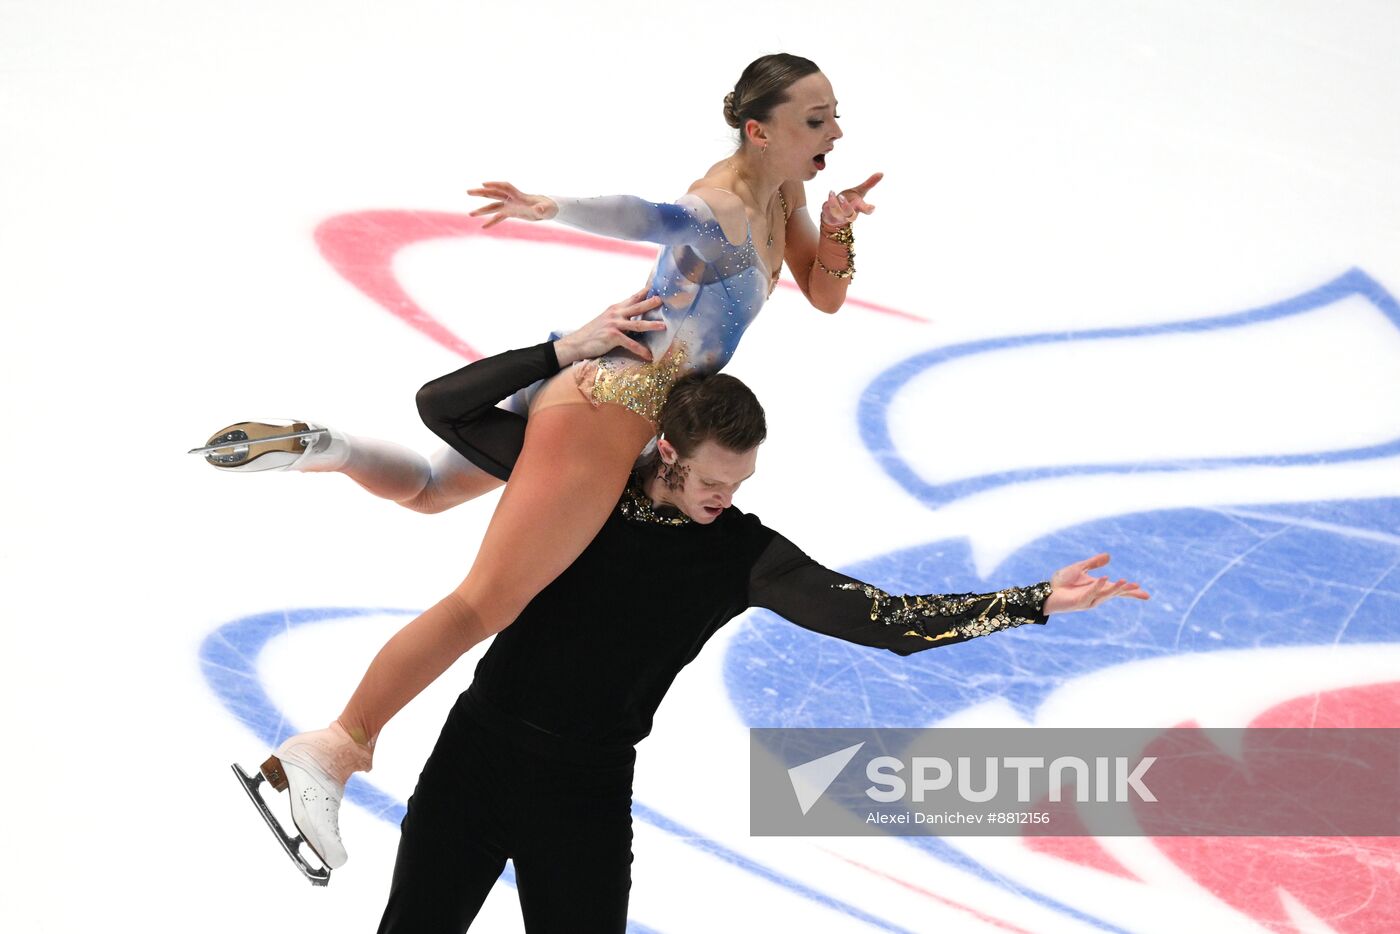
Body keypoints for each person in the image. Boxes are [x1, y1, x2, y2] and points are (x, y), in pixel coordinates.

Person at [215, 52, 888, 862]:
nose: (835, 132)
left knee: (431, 491)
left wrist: (840, 222)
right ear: (759, 129)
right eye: (816, 121)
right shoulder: (717, 205)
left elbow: (824, 291)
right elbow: (647, 218)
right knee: (480, 607)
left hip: (597, 397)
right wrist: (550, 206)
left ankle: (329, 448)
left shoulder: (787, 189)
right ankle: (334, 750)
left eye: (834, 114)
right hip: (610, 415)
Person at [371, 329, 1144, 932]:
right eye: (712, 480)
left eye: (738, 483)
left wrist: (1035, 600)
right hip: (478, 753)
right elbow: (444, 406)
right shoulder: (586, 486)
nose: (723, 497)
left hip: (586, 789)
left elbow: (887, 623)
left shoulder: (740, 555)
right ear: (666, 449)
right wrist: (557, 353)